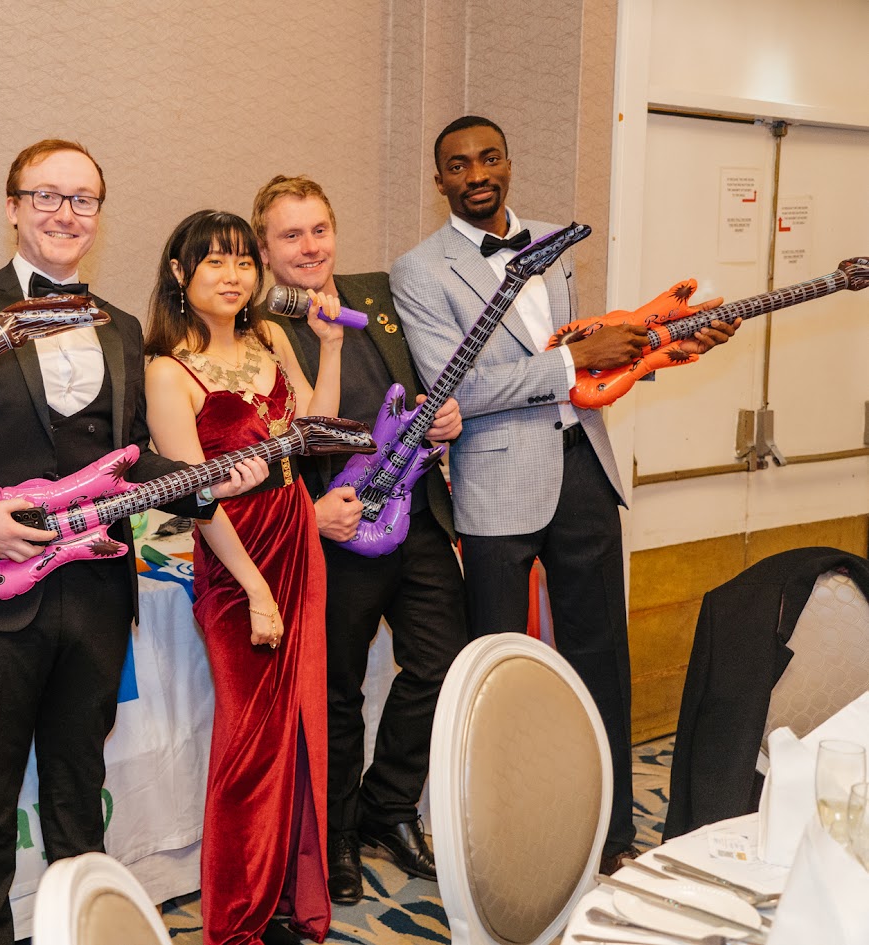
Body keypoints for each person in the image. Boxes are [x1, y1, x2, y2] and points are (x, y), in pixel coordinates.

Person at [0, 142, 263, 945]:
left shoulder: (121, 326)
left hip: (97, 596)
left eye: (83, 199)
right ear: (12, 206)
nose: (65, 213)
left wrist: (206, 483)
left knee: (79, 798)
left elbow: (128, 461)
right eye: (46, 195)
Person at [391, 115, 738, 873]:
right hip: (495, 484)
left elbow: (597, 354)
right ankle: (499, 836)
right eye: (458, 164)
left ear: (509, 163)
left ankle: (610, 832)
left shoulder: (555, 240)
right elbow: (457, 387)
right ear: (439, 179)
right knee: (497, 668)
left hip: (584, 467)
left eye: (489, 157)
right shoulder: (418, 270)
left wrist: (671, 345)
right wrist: (572, 362)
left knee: (601, 655)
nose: (477, 173)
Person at [252, 175, 466, 900]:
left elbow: (424, 380)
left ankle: (389, 804)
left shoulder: (380, 293)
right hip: (335, 526)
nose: (309, 246)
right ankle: (338, 832)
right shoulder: (261, 328)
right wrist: (310, 511)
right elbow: (275, 441)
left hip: (419, 515)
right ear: (265, 250)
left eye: (319, 229)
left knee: (443, 664)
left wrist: (443, 418)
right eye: (290, 235)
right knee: (337, 691)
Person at [145, 210, 342, 945]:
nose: (233, 277)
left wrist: (331, 348)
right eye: (214, 262)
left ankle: (284, 898)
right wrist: (254, 589)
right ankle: (234, 923)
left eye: (242, 263)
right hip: (235, 555)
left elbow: (315, 433)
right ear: (180, 274)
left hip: (296, 534)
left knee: (298, 726)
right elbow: (196, 496)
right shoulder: (167, 370)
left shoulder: (271, 339)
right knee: (248, 742)